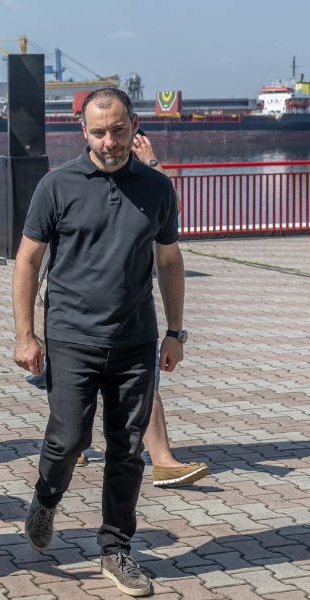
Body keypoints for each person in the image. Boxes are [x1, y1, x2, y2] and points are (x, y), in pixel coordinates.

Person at [13, 88, 186, 597]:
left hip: (136, 340)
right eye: (98, 132)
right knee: (67, 440)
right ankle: (45, 499)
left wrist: (175, 331)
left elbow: (170, 261)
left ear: (134, 125)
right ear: (83, 132)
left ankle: (116, 548)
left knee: (127, 450)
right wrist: (26, 334)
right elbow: (27, 260)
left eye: (118, 130)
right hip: (71, 337)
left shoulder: (156, 188)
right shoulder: (56, 186)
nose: (109, 141)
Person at [131, 132, 209, 488]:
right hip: (78, 307)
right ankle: (73, 445)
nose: (114, 143)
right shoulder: (81, 178)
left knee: (143, 382)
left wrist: (175, 332)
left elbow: (165, 206)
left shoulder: (146, 184)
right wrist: (152, 162)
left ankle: (163, 461)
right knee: (76, 389)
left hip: (131, 306)